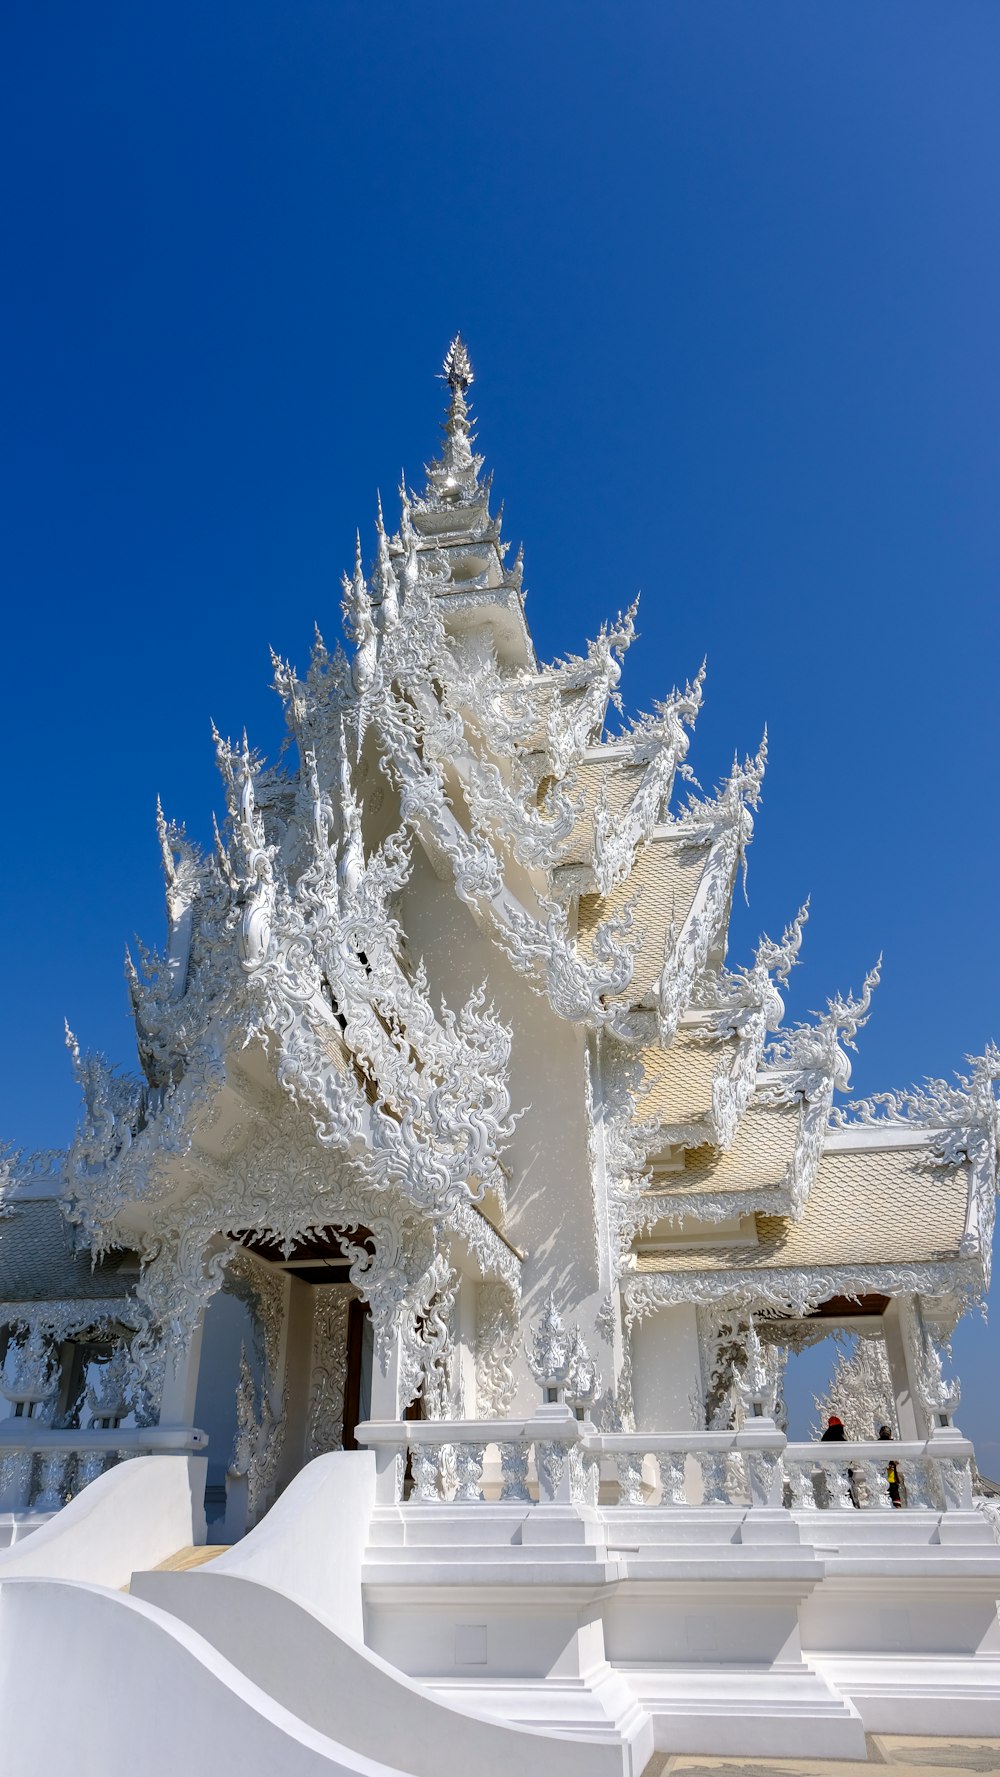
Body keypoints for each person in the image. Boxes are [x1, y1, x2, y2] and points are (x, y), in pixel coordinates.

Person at [878, 1424, 903, 1507]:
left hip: (887, 1476)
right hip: (886, 1475)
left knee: (892, 1497)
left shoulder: (878, 1445)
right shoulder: (891, 1444)